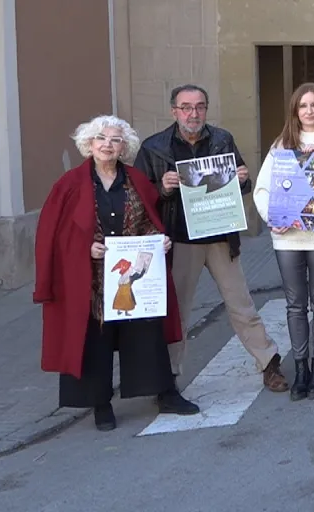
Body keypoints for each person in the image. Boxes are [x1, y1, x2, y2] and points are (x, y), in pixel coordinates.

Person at [34, 115, 200, 431]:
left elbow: (151, 218)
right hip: (91, 279)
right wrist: (85, 248)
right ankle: (100, 404)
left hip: (132, 275)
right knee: (95, 340)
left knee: (148, 333)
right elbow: (52, 235)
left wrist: (159, 240)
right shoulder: (68, 185)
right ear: (89, 144)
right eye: (101, 138)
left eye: (115, 140)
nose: (108, 145)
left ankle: (165, 393)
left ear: (124, 146)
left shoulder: (136, 179)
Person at [134, 84, 288, 394]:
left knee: (241, 304)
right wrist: (162, 187)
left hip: (219, 236)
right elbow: (138, 199)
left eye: (200, 106)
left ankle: (269, 363)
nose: (194, 113)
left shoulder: (222, 139)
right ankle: (169, 377)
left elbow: (240, 183)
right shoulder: (154, 148)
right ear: (174, 111)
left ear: (206, 109)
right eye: (186, 107)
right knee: (176, 312)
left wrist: (243, 179)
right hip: (179, 241)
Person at [253, 82, 314, 401]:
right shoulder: (282, 144)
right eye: (303, 106)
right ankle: (301, 369)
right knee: (295, 304)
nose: (309, 111)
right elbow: (263, 188)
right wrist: (272, 218)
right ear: (295, 111)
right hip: (288, 237)